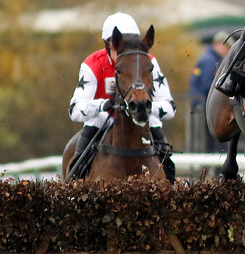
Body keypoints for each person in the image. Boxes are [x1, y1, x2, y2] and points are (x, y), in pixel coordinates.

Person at [68, 12, 177, 181]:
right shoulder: (92, 64)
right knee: (89, 132)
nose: (125, 51)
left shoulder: (150, 62)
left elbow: (170, 107)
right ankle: (73, 186)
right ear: (107, 45)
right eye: (118, 46)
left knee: (163, 148)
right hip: (104, 118)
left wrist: (146, 106)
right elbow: (74, 110)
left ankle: (172, 187)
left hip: (142, 117)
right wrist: (102, 105)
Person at [189, 30, 232, 153]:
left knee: (210, 138)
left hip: (201, 104)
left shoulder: (209, 58)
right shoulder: (210, 61)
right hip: (205, 105)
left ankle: (211, 167)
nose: (228, 51)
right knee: (215, 136)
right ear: (220, 44)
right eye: (227, 47)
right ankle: (216, 167)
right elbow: (208, 85)